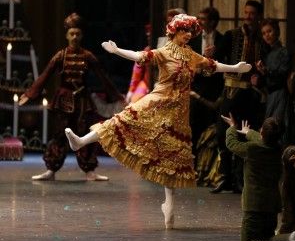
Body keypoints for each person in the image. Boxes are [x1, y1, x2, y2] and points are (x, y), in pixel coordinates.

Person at [63, 14, 252, 229]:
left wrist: (235, 68)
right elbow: (140, 56)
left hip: (178, 112)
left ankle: (169, 210)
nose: (188, 35)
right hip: (158, 101)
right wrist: (116, 51)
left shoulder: (191, 55)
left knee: (171, 156)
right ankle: (81, 141)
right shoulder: (164, 52)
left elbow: (213, 65)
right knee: (121, 120)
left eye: (190, 31)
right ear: (174, 32)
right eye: (184, 31)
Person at [19, 12, 123, 181]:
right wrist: (30, 94)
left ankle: (89, 171)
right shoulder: (60, 56)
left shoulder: (88, 56)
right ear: (66, 35)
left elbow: (103, 78)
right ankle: (51, 170)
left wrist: (117, 96)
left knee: (84, 134)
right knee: (59, 134)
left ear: (82, 35)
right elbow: (44, 76)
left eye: (78, 34)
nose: (74, 37)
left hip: (82, 102)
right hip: (63, 100)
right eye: (71, 33)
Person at [222, 114, 295, 241]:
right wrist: (249, 133)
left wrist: (232, 128)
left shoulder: (253, 149)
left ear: (261, 132)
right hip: (272, 204)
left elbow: (232, 144)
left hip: (254, 205)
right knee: (267, 237)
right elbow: (263, 141)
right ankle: (289, 238)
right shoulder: (279, 150)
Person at [211, 0, 266, 194]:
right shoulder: (231, 35)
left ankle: (239, 178)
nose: (248, 16)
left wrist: (260, 76)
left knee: (244, 134)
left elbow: (265, 67)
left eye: (252, 13)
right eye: (246, 12)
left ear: (258, 16)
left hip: (250, 95)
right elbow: (216, 59)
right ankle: (225, 176)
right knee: (222, 132)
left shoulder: (262, 39)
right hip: (231, 92)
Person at [188, 7, 225, 156]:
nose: (199, 22)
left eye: (203, 19)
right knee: (193, 131)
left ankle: (209, 173)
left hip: (214, 93)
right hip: (195, 93)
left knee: (212, 133)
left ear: (214, 22)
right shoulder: (192, 40)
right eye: (199, 18)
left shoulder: (222, 40)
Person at [257, 18, 291, 142]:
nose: (267, 35)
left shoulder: (284, 52)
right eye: (264, 33)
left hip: (280, 94)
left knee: (277, 127)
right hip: (270, 95)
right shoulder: (267, 53)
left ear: (277, 31)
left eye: (269, 31)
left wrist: (266, 71)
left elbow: (283, 73)